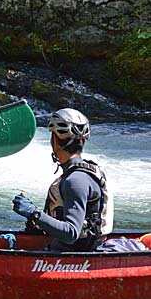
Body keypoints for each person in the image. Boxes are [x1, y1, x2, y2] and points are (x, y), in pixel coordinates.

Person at [12, 108, 112, 252]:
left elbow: (71, 233)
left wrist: (34, 213)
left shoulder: (75, 180)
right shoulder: (83, 174)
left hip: (70, 258)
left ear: (55, 141)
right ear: (82, 141)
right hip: (69, 249)